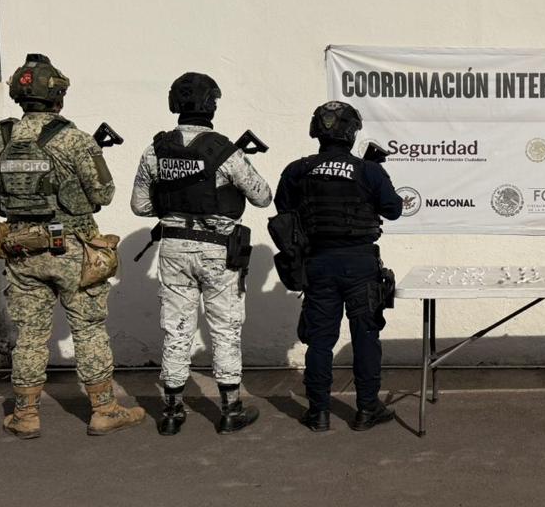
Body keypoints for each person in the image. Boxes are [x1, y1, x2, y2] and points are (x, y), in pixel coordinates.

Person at [0, 53, 145, 438]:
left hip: (21, 250)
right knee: (88, 329)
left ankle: (25, 415)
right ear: (58, 97)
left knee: (30, 336)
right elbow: (103, 194)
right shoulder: (75, 140)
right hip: (74, 251)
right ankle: (104, 410)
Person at [131, 73, 273, 435]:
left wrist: (175, 206)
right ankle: (230, 410)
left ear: (174, 104)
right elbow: (262, 196)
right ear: (211, 104)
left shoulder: (155, 150)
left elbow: (140, 206)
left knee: (176, 329)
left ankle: (172, 413)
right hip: (218, 251)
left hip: (174, 250)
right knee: (224, 328)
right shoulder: (226, 151)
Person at [273, 101, 403, 432]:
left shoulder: (298, 169)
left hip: (318, 263)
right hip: (360, 264)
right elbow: (393, 210)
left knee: (319, 341)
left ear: (316, 130)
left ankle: (318, 412)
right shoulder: (367, 170)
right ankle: (367, 409)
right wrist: (372, 174)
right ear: (352, 132)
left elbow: (284, 209)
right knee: (366, 336)